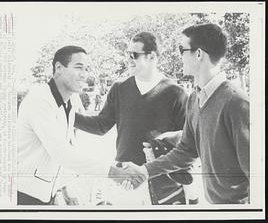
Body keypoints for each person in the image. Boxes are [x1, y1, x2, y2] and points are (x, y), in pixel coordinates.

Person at [119, 23, 250, 204]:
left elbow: (257, 174)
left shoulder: (237, 103)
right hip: (213, 206)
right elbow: (186, 150)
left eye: (182, 49)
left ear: (198, 54)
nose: (179, 56)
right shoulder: (194, 98)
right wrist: (145, 171)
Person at [74, 32, 189, 205]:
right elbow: (101, 126)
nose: (128, 59)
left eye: (133, 55)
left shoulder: (176, 93)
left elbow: (187, 141)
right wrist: (67, 116)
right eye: (127, 54)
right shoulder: (119, 88)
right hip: (125, 179)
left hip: (162, 183)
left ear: (151, 56)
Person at [17, 46, 113, 205]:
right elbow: (61, 152)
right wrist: (111, 171)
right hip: (23, 195)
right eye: (78, 67)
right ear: (59, 68)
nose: (84, 75)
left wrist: (63, 188)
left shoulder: (69, 102)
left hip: (46, 195)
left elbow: (65, 146)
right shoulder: (40, 99)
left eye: (86, 69)